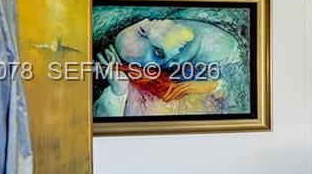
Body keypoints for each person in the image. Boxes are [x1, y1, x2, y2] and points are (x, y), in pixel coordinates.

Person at [95, 15, 246, 118]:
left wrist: (216, 86)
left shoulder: (222, 45)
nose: (156, 38)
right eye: (158, 54)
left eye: (143, 31)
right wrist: (118, 91)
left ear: (148, 22)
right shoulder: (152, 93)